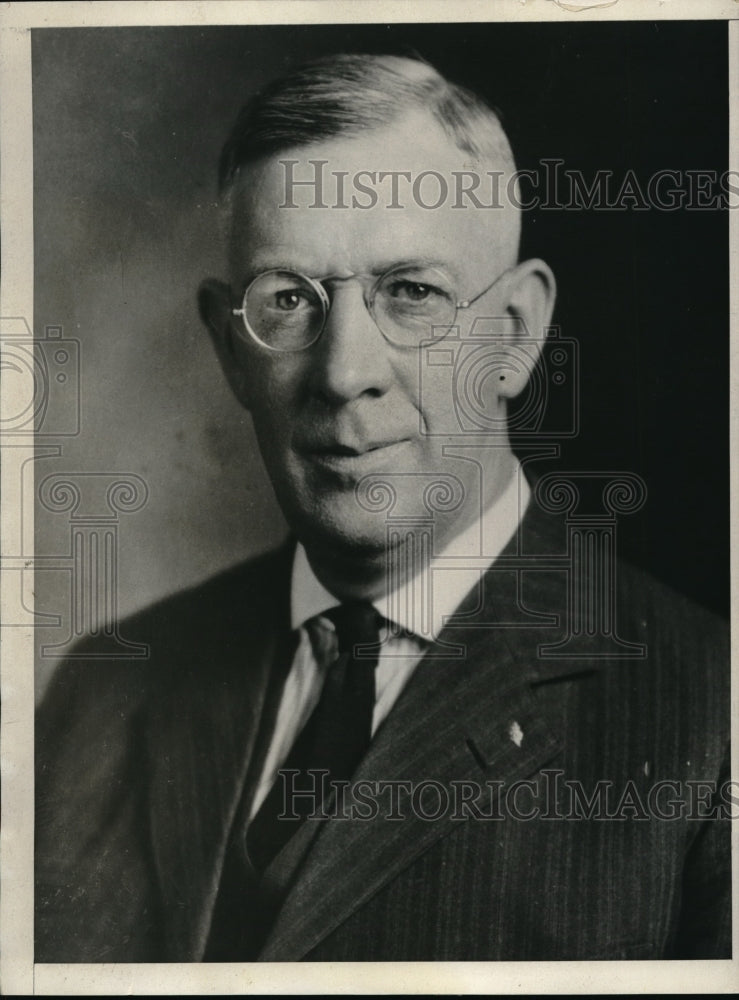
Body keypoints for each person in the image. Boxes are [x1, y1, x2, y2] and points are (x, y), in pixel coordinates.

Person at [35, 53, 730, 963]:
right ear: (228, 348)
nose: (344, 373)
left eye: (411, 294)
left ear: (514, 336)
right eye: (287, 301)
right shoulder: (102, 696)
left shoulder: (709, 722)